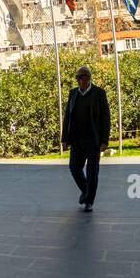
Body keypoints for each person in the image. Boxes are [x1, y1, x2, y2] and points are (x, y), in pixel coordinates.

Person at [61, 65, 110, 212]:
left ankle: (89, 201)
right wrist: (64, 139)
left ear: (88, 78)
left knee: (92, 171)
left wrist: (104, 140)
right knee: (74, 168)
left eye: (80, 77)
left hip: (93, 140)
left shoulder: (99, 93)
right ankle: (87, 190)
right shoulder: (73, 93)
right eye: (76, 77)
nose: (77, 80)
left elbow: (105, 118)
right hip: (77, 139)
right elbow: (67, 117)